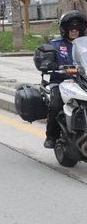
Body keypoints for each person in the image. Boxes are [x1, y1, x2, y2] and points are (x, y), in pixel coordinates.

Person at [42, 11, 85, 149]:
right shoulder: (56, 44)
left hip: (82, 81)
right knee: (55, 105)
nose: (74, 31)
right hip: (60, 82)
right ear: (64, 29)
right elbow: (45, 57)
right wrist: (49, 63)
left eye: (77, 28)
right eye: (71, 29)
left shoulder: (85, 45)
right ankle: (51, 136)